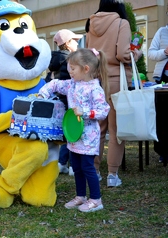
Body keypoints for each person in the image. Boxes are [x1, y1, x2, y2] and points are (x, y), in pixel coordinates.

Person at [38, 48, 110, 212]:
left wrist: (85, 113)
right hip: (73, 134)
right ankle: (80, 196)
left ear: (86, 68)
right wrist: (43, 94)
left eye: (72, 69)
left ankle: (96, 199)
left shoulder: (94, 89)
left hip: (88, 136)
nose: (69, 72)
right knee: (76, 167)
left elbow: (103, 110)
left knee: (87, 167)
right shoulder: (72, 84)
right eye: (69, 68)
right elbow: (55, 83)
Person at [85, 0, 143, 187]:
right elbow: (122, 54)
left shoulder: (91, 23)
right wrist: (136, 55)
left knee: (98, 129)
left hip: (96, 80)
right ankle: (112, 174)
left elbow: (88, 54)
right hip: (116, 79)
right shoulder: (121, 23)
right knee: (116, 129)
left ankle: (94, 171)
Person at [48, 29, 83, 175]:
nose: (77, 42)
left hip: (59, 99)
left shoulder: (55, 59)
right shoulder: (71, 60)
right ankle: (73, 166)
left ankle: (62, 163)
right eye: (74, 40)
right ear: (68, 44)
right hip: (71, 100)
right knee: (74, 132)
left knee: (65, 132)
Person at [148, 25, 168, 163]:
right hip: (163, 81)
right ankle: (163, 151)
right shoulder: (162, 31)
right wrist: (165, 52)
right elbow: (151, 53)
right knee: (162, 117)